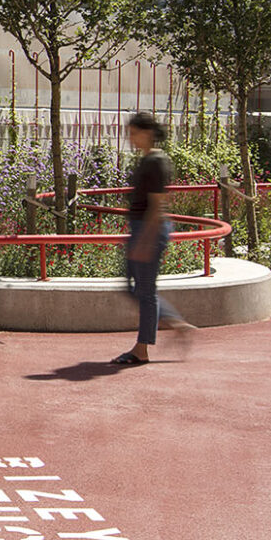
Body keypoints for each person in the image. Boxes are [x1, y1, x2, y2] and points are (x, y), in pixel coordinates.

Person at [112, 111, 194, 366]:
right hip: (140, 228)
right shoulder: (148, 159)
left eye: (134, 133)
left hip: (149, 230)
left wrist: (145, 242)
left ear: (147, 133)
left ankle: (141, 349)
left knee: (146, 293)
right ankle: (176, 323)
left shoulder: (157, 162)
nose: (130, 138)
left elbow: (158, 207)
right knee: (131, 288)